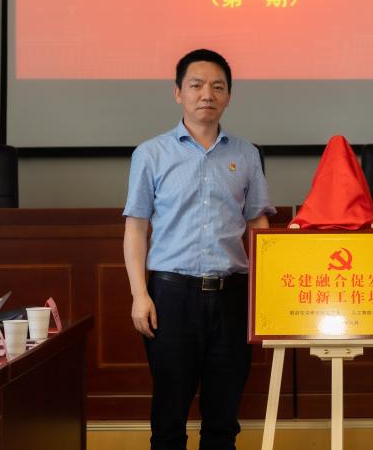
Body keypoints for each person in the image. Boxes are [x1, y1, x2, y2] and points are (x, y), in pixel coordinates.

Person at [123, 49, 275, 450]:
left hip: (232, 296)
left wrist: (266, 295)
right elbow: (136, 228)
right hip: (171, 295)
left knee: (223, 419)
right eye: (196, 85)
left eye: (217, 87)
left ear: (229, 96)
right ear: (178, 93)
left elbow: (258, 226)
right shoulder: (151, 154)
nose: (207, 94)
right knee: (169, 416)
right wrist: (140, 295)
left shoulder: (246, 154)